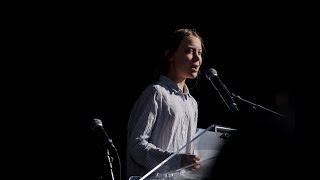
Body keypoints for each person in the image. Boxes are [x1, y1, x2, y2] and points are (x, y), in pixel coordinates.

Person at [126, 28, 205, 179]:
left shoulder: (192, 103)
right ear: (170, 55)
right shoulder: (156, 93)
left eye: (200, 53)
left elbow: (187, 157)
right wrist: (177, 160)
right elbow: (136, 146)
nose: (197, 59)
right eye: (190, 51)